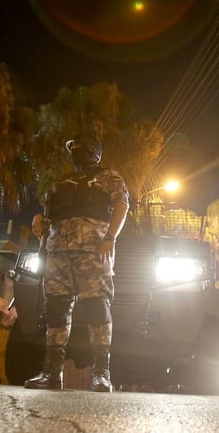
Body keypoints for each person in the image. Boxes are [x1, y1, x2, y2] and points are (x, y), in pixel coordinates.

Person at [24, 134, 129, 392]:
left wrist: (110, 237)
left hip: (93, 251)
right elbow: (48, 212)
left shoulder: (109, 177)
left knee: (97, 306)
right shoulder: (62, 180)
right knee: (56, 309)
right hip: (58, 251)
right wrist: (38, 220)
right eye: (73, 149)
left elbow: (122, 205)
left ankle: (101, 374)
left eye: (79, 148)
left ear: (93, 151)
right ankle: (51, 373)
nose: (75, 153)